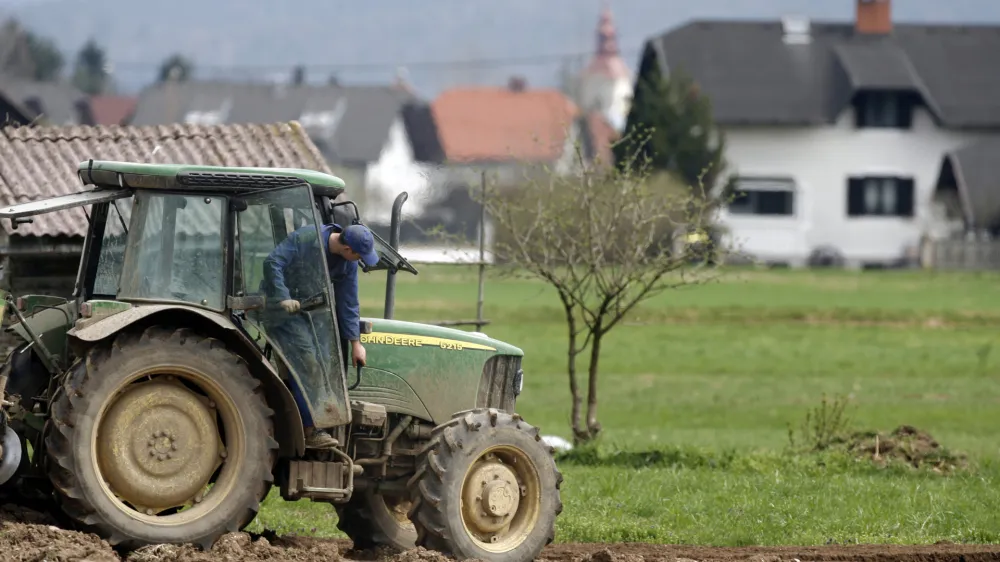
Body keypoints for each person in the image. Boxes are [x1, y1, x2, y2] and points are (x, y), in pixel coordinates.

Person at [260, 222, 380, 449]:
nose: (360, 261)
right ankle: (310, 428)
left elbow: (348, 302)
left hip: (312, 313)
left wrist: (356, 344)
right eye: (359, 256)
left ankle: (321, 417)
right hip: (282, 312)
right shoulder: (305, 238)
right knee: (309, 363)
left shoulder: (348, 263)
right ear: (348, 249)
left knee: (326, 362)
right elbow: (273, 262)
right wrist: (283, 296)